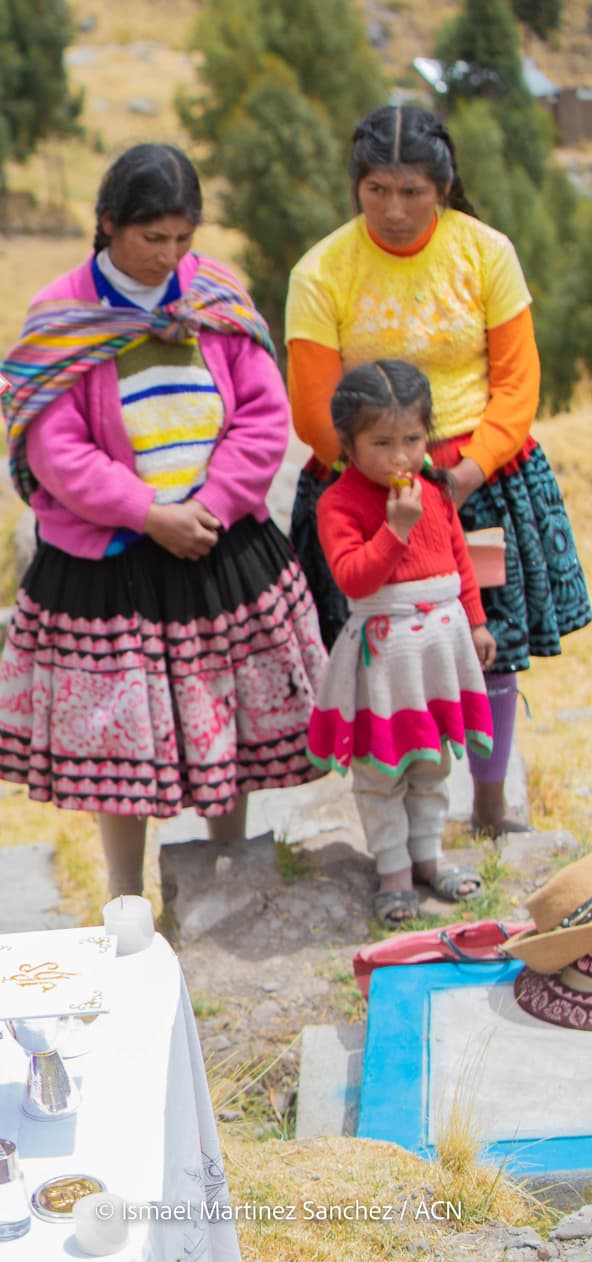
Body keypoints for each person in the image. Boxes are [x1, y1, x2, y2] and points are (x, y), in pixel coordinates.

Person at [0, 144, 327, 898]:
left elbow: (265, 417)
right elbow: (56, 448)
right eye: (151, 239)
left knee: (222, 708)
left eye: (181, 239)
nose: (167, 256)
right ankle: (123, 898)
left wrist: (209, 505)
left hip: (217, 540)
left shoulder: (214, 300)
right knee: (119, 736)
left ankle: (228, 869)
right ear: (107, 225)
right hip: (112, 561)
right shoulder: (62, 318)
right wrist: (147, 513)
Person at [286, 104, 590, 837]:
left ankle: (490, 805)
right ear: (356, 188)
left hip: (478, 482)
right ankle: (391, 827)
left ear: (445, 187)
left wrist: (468, 470)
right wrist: (375, 479)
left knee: (490, 644)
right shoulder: (322, 271)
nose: (395, 210)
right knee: (376, 647)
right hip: (362, 488)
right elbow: (312, 406)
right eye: (378, 191)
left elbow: (518, 384)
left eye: (413, 192)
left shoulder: (486, 253)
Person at [304, 361, 495, 927]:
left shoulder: (434, 488)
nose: (401, 458)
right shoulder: (339, 503)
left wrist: (478, 621)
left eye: (412, 439)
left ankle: (428, 856)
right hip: (386, 656)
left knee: (432, 758)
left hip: (440, 648)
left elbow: (459, 558)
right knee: (382, 766)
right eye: (381, 443)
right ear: (348, 441)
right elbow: (354, 578)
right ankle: (391, 871)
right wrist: (396, 529)